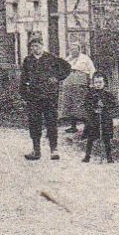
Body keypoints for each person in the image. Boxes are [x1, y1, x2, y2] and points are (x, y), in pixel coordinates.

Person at [18, 32, 71, 161]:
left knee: (51, 122)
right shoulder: (28, 60)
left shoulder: (51, 58)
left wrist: (57, 78)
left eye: (37, 45)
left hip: (49, 97)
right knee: (34, 123)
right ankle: (36, 151)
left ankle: (54, 150)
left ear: (42, 45)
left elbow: (67, 68)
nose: (35, 49)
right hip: (34, 98)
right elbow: (23, 79)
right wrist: (25, 94)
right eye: (32, 47)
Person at [58, 42, 96, 136]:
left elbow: (92, 70)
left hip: (80, 84)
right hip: (68, 84)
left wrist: (91, 82)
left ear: (79, 49)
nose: (73, 50)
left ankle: (87, 128)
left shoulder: (85, 58)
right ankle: (73, 126)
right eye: (71, 49)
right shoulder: (68, 59)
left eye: (75, 48)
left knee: (80, 104)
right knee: (70, 105)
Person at [79, 72, 118, 163]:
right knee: (90, 138)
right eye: (96, 82)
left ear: (104, 83)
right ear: (93, 83)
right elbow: (86, 105)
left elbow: (113, 104)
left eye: (100, 82)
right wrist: (93, 109)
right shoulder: (90, 94)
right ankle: (87, 156)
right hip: (93, 120)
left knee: (106, 139)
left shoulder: (108, 94)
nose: (98, 84)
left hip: (105, 119)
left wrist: (105, 106)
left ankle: (109, 157)